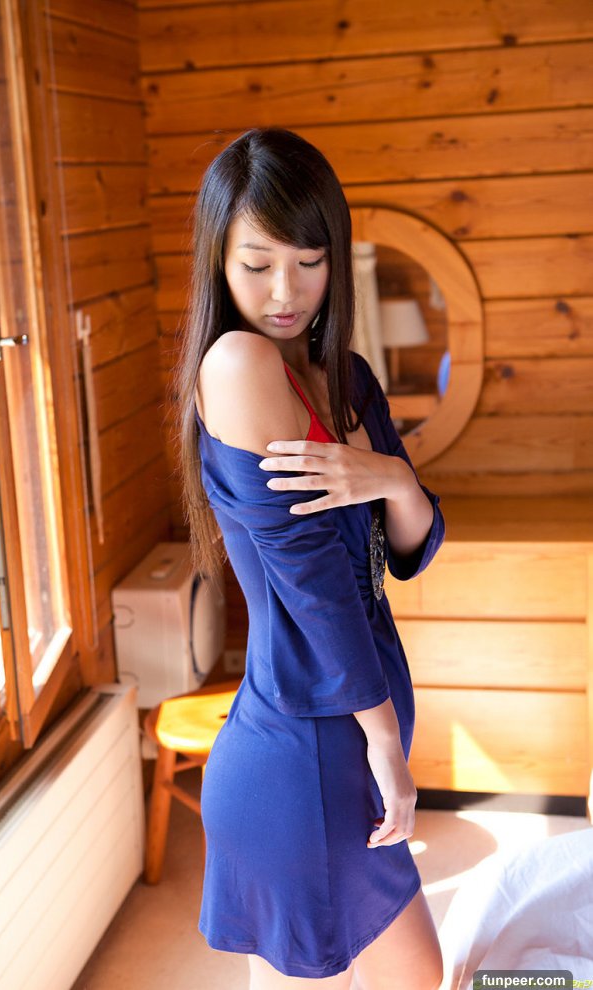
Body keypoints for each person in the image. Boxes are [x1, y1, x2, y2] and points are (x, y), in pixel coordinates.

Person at [174, 127, 446, 990]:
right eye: (257, 265)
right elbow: (315, 585)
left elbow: (407, 549)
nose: (285, 292)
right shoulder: (239, 363)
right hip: (303, 746)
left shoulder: (347, 375)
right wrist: (385, 745)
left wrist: (390, 476)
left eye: (309, 261)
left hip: (349, 724)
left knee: (417, 973)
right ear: (219, 263)